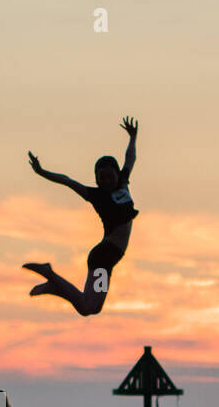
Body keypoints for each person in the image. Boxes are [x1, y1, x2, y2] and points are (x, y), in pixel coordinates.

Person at [24, 116, 139, 316]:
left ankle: (55, 287)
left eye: (110, 176)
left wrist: (133, 137)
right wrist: (41, 172)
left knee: (93, 307)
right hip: (103, 257)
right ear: (97, 179)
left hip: (109, 260)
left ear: (116, 174)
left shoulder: (123, 182)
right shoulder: (96, 196)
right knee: (87, 307)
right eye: (101, 178)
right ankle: (49, 274)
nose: (106, 181)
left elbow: (130, 158)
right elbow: (68, 181)